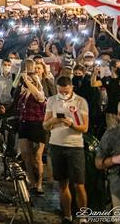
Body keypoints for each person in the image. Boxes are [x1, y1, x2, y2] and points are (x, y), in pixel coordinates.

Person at [43, 75, 89, 224]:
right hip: (56, 145)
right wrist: (54, 121)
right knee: (62, 183)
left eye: (66, 92)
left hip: (75, 146)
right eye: (60, 91)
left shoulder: (80, 101)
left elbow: (84, 128)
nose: (63, 94)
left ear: (71, 88)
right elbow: (45, 125)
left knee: (79, 184)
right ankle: (67, 215)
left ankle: (82, 216)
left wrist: (72, 125)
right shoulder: (51, 100)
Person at [16, 70, 47, 195]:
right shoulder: (24, 94)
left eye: (31, 81)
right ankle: (32, 182)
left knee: (37, 156)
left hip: (37, 125)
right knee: (26, 155)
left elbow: (38, 96)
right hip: (24, 124)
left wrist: (29, 81)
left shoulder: (39, 93)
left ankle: (39, 184)